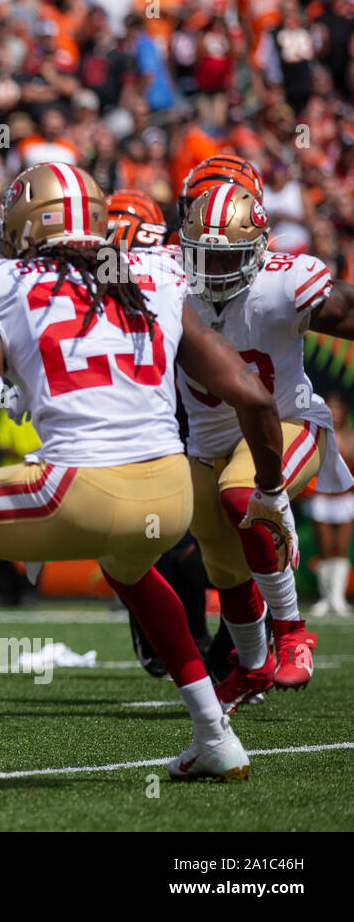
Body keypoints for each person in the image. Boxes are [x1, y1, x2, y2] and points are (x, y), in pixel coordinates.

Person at [0, 162, 289, 782]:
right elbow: (253, 396)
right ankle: (215, 734)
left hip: (82, 489)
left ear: (29, 220)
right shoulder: (154, 273)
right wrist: (270, 492)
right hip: (171, 491)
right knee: (130, 570)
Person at [179, 181, 354, 705]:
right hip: (207, 443)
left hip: (287, 424)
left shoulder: (285, 286)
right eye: (201, 258)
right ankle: (252, 666)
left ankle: (293, 632)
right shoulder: (167, 282)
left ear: (258, 253)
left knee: (245, 495)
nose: (210, 272)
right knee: (223, 567)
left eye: (224, 258)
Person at [308, 396, 354, 617]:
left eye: (338, 408)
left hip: (345, 499)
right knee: (325, 549)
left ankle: (338, 598)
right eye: (331, 408)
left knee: (340, 549)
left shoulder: (350, 436)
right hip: (322, 498)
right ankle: (325, 598)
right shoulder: (318, 435)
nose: (334, 412)